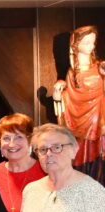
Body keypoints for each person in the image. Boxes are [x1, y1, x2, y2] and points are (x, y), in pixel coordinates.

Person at [52, 25, 105, 180]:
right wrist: (58, 92)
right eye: (86, 42)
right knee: (80, 151)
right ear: (76, 45)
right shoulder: (71, 73)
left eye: (93, 42)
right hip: (78, 117)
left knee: (99, 153)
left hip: (98, 115)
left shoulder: (99, 67)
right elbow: (65, 97)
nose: (91, 46)